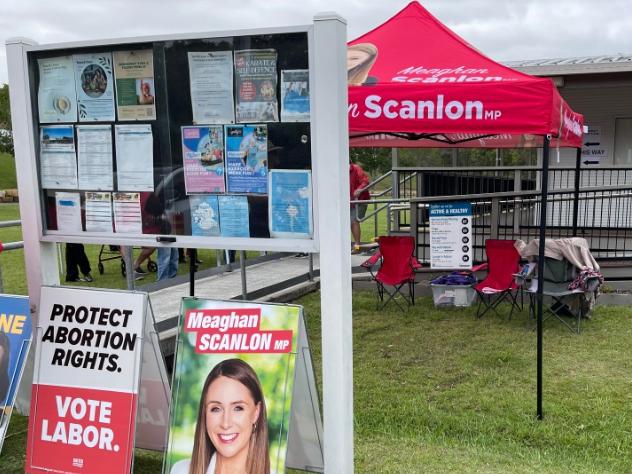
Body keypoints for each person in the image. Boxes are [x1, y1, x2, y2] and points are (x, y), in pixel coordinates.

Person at [170, 359, 269, 474]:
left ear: (256, 412)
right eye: (216, 409)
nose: (225, 423)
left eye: (238, 408)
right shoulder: (181, 470)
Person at [350, 159, 371, 254]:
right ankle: (353, 245)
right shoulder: (338, 170)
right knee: (349, 222)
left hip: (360, 200)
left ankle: (357, 246)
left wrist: (359, 189)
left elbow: (365, 181)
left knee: (354, 221)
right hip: (349, 201)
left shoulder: (356, 168)